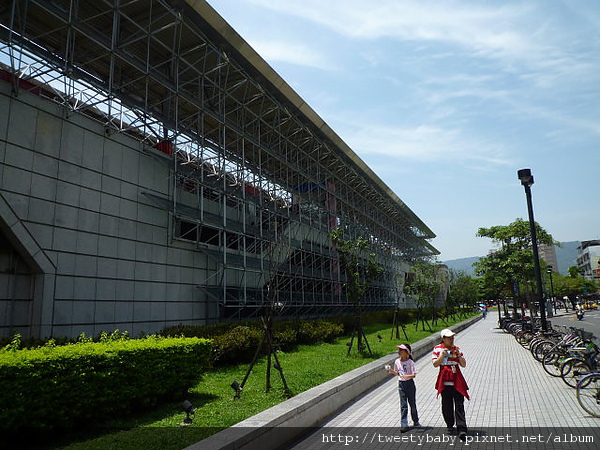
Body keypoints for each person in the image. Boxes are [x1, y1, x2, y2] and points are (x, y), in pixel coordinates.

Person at [432, 329, 469, 441]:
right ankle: (449, 424)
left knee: (459, 404)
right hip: (445, 380)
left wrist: (459, 356)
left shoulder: (456, 349)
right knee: (446, 405)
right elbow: (435, 364)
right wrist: (442, 356)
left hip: (456, 379)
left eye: (452, 337)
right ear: (443, 338)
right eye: (449, 337)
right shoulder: (437, 349)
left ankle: (461, 428)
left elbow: (463, 364)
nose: (451, 339)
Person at [387, 343, 420, 432]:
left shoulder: (410, 362)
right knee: (403, 405)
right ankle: (404, 424)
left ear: (407, 352)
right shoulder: (397, 361)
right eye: (399, 350)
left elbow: (414, 374)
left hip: (410, 384)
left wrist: (407, 376)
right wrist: (390, 371)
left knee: (412, 403)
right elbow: (397, 373)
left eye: (401, 350)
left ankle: (416, 421)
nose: (399, 352)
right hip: (401, 384)